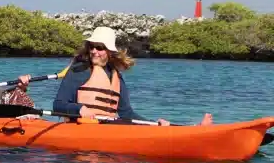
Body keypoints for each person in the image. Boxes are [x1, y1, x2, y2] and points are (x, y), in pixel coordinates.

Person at [52, 26, 213, 126]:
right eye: (92, 47)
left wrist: (154, 124)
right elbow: (58, 105)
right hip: (80, 128)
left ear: (109, 51)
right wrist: (80, 108)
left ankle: (192, 129)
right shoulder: (79, 70)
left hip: (106, 128)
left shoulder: (116, 76)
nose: (94, 51)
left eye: (99, 47)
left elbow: (127, 114)